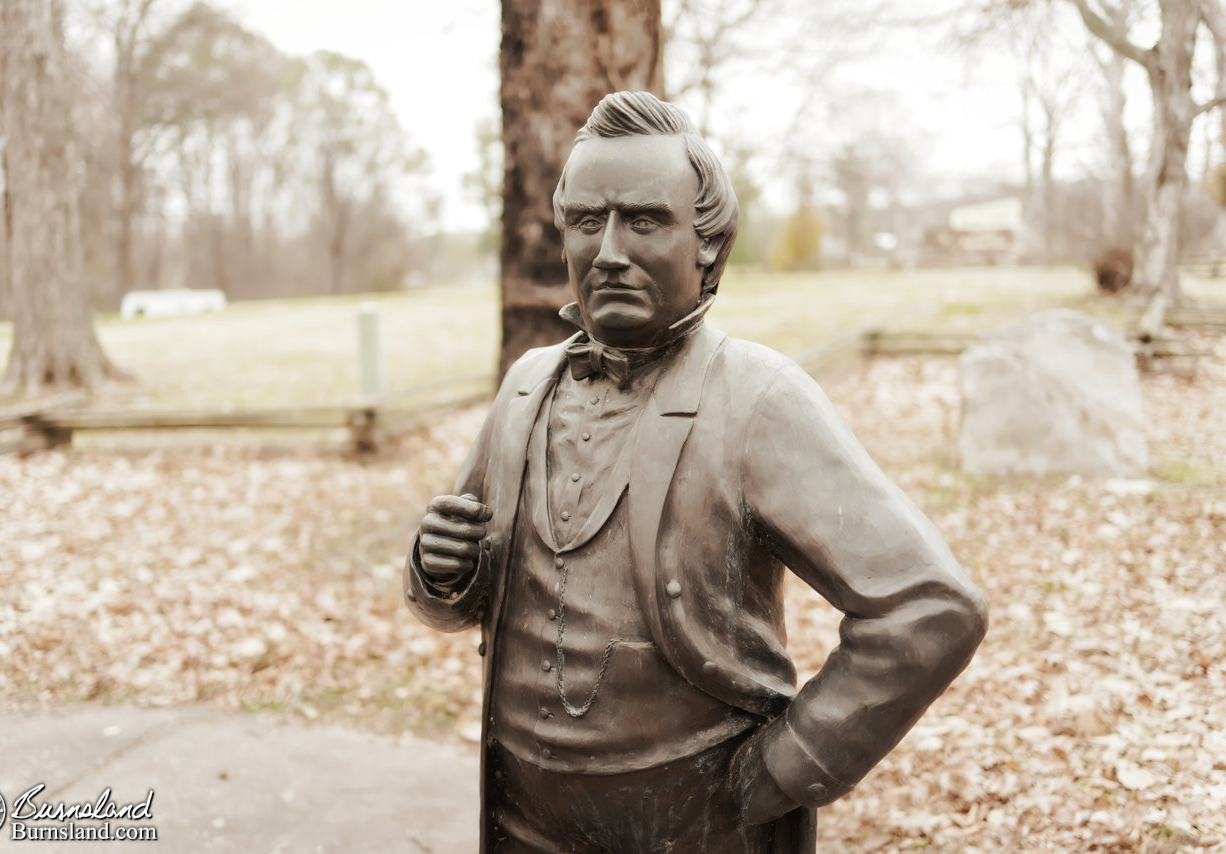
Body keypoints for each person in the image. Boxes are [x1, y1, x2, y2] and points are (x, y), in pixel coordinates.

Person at [404, 91, 987, 854]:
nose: (609, 249)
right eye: (587, 220)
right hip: (524, 822)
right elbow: (463, 602)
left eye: (644, 220)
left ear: (707, 243)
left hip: (697, 829)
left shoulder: (758, 399)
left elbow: (930, 609)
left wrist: (784, 770)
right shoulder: (525, 388)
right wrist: (439, 572)